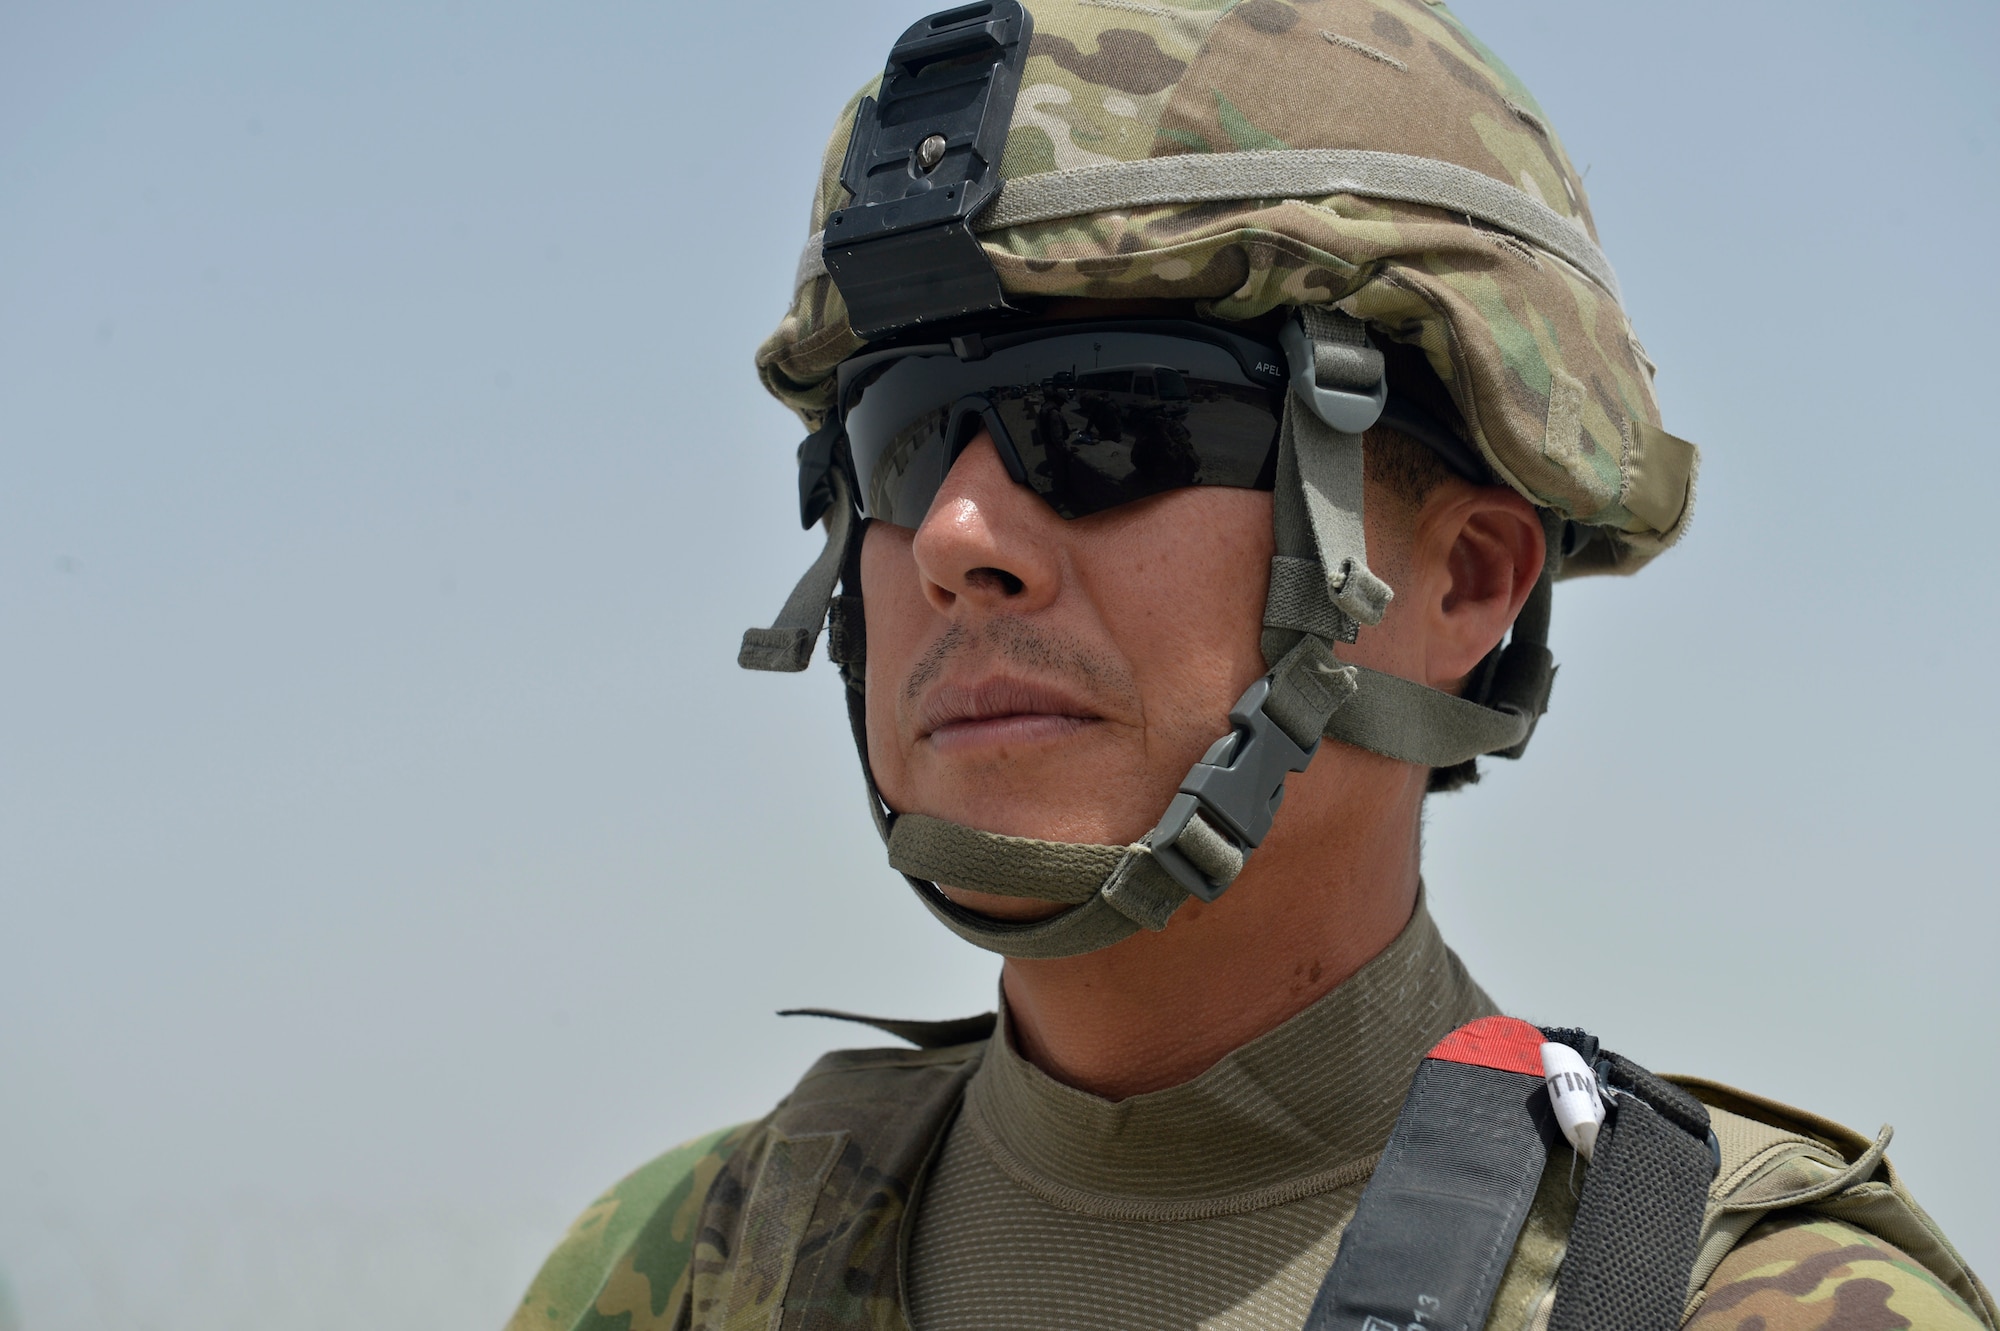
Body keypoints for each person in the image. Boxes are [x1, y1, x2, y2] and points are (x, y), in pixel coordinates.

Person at [507, 3, 1994, 1328]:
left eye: (1110, 425)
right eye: (896, 446)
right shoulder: (678, 1272)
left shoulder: (1737, 1302)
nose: (959, 533)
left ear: (1463, 583)